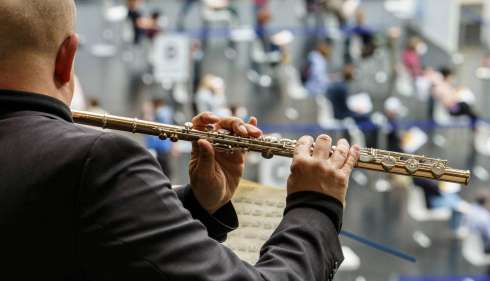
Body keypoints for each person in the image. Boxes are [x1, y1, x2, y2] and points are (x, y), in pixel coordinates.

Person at [0, 1, 361, 280]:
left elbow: (61, 237)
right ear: (67, 58)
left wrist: (199, 205)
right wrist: (316, 204)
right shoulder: (97, 160)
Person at [326, 64, 378, 148]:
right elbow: (344, 108)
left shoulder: (339, 85)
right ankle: (371, 146)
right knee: (368, 118)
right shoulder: (342, 87)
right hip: (341, 116)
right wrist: (356, 111)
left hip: (340, 113)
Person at [144, 99, 176, 178]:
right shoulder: (164, 113)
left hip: (160, 148)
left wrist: (148, 114)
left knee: (161, 172)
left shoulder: (161, 113)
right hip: (162, 148)